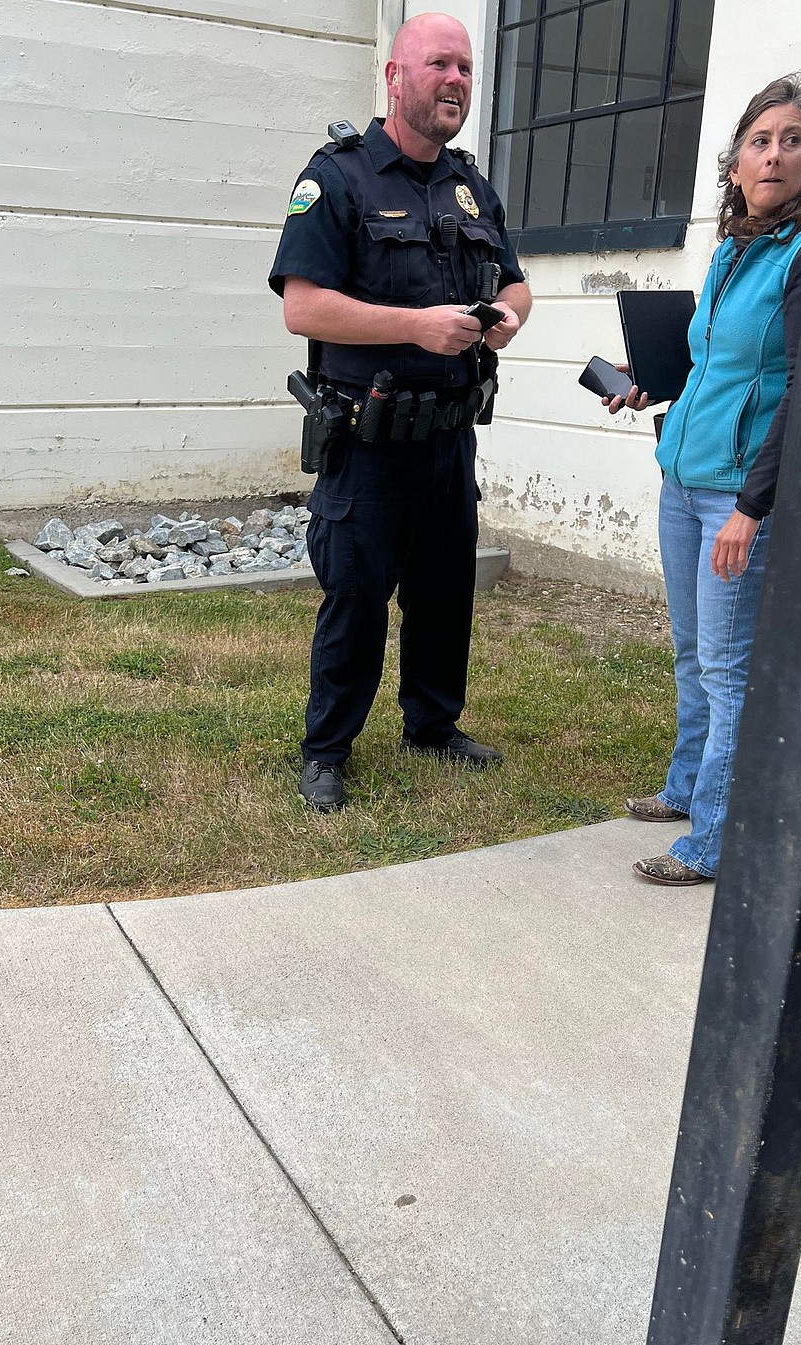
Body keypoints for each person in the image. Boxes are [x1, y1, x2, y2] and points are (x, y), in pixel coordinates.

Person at [268, 13, 533, 812]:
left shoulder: (470, 185)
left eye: (465, 68)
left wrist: (512, 315)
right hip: (371, 439)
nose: (455, 80)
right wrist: (416, 327)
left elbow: (514, 282)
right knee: (355, 597)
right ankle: (327, 750)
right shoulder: (338, 177)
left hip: (449, 436)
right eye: (438, 65)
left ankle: (433, 726)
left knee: (445, 593)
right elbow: (305, 308)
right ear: (394, 76)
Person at [605, 73, 801, 884]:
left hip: (738, 495)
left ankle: (714, 842)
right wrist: (647, 374)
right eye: (760, 141)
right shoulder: (735, 247)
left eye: (791, 140)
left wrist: (753, 508)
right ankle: (686, 791)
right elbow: (713, 360)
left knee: (730, 669)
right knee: (695, 652)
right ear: (735, 163)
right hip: (683, 480)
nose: (773, 154)